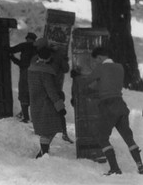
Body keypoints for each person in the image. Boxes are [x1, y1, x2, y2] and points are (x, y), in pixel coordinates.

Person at [77, 47, 143, 175]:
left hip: (108, 106)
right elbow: (106, 83)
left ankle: (114, 168)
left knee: (102, 137)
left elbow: (87, 82)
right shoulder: (119, 67)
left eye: (96, 60)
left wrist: (78, 76)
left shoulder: (101, 68)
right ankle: (140, 166)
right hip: (121, 105)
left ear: (100, 57)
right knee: (128, 137)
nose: (95, 63)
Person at [28, 47, 66, 158]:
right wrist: (60, 106)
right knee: (49, 129)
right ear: (48, 58)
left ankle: (44, 151)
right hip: (46, 104)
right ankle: (43, 153)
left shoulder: (31, 68)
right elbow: (51, 91)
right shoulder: (45, 72)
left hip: (35, 102)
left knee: (45, 129)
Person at [34, 37, 72, 142]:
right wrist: (65, 60)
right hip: (55, 86)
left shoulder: (38, 55)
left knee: (47, 111)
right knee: (59, 110)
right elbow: (66, 69)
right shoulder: (58, 56)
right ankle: (63, 133)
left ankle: (45, 139)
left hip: (40, 87)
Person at [9, 32, 37, 122]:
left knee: (23, 93)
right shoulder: (38, 48)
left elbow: (11, 50)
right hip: (35, 73)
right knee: (32, 94)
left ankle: (25, 117)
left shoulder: (25, 45)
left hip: (25, 73)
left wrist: (12, 58)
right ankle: (33, 116)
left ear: (27, 38)